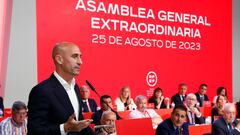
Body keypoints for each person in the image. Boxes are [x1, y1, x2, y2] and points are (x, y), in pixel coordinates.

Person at [27, 42, 94, 135]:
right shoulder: (41, 91)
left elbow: (79, 125)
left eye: (80, 57)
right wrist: (64, 128)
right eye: (75, 56)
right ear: (59, 59)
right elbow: (35, 131)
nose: (80, 62)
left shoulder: (75, 87)